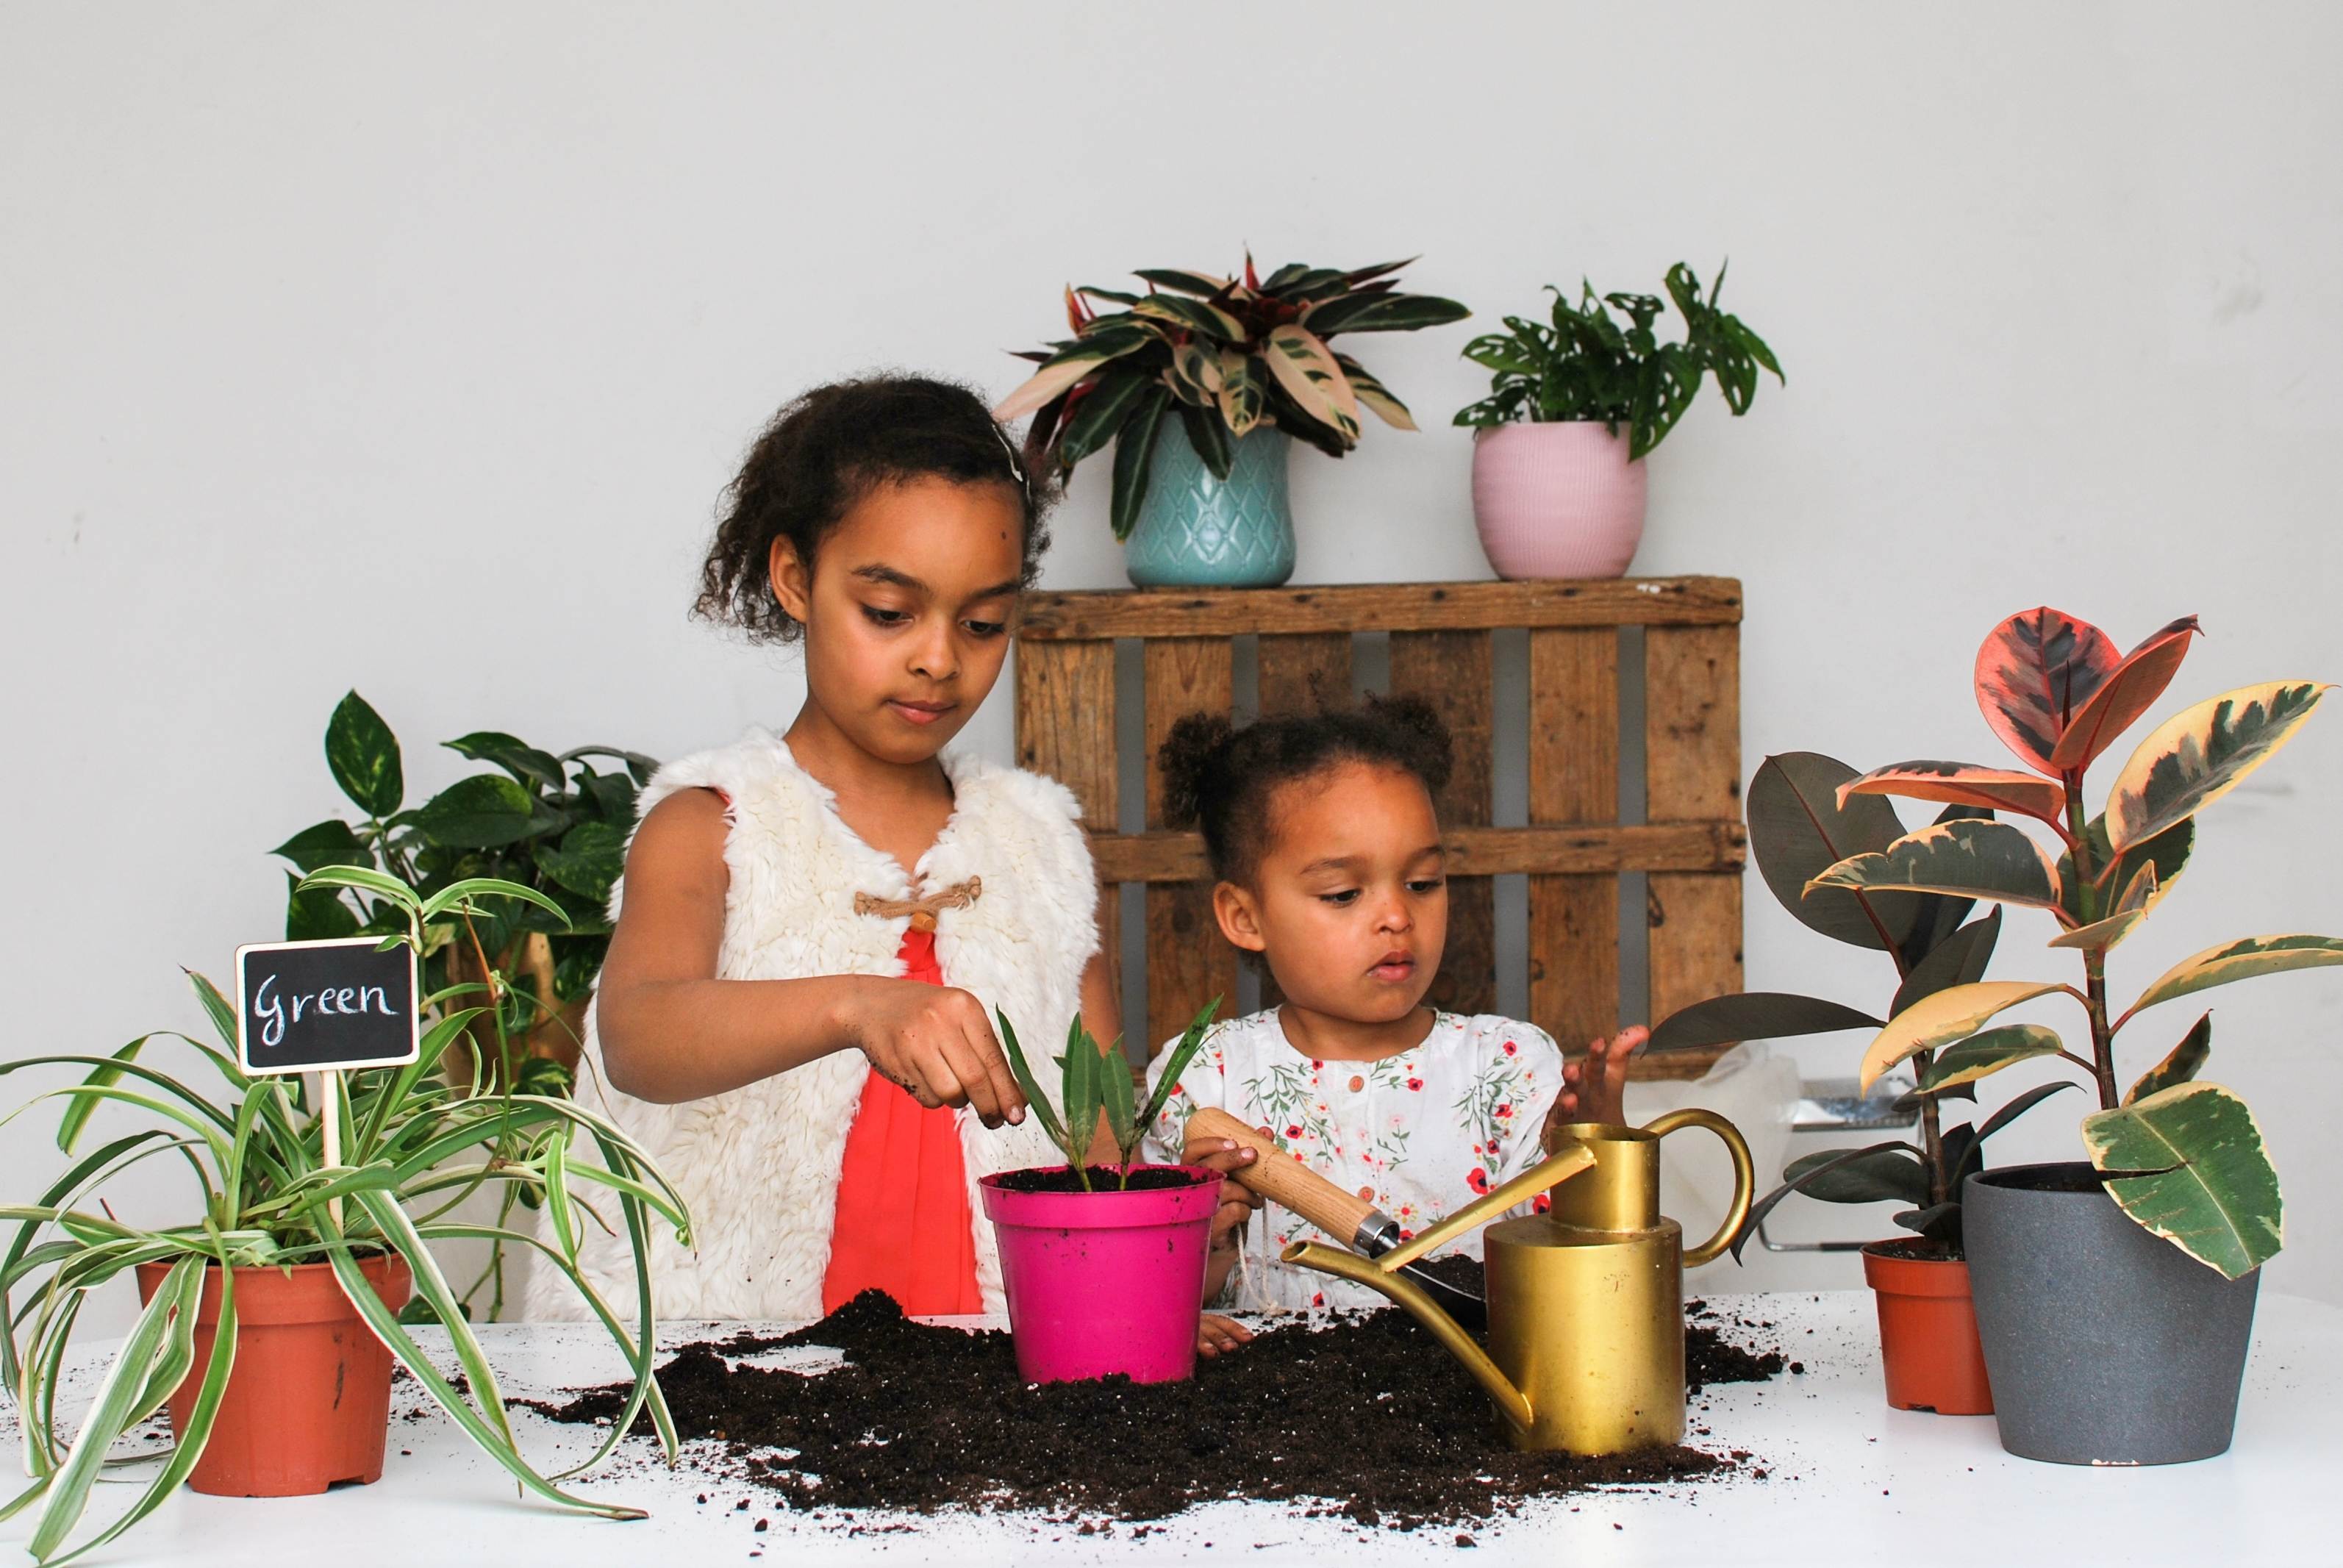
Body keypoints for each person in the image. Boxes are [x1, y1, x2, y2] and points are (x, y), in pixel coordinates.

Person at [531, 374, 1111, 1325]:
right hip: (732, 1371)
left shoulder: (1039, 846)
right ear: (794, 578)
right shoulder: (710, 825)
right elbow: (635, 1035)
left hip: (997, 1370)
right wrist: (854, 1002)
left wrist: (1172, 1235)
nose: (937, 657)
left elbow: (1095, 1135)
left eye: (982, 622)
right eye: (889, 612)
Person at [1140, 698, 1648, 1311]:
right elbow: (1153, 1301)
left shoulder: (1507, 1064)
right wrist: (1201, 1237)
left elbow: (1584, 1275)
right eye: (1343, 892)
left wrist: (1593, 1145)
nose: (1397, 916)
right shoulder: (1203, 1079)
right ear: (1245, 916)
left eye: (1423, 883)